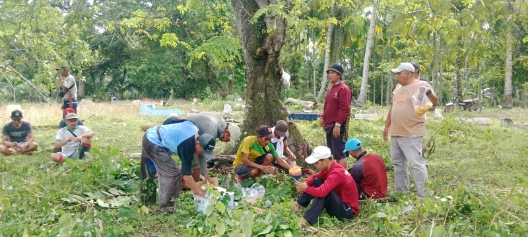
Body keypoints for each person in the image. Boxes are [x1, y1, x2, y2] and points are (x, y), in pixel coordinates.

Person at [382, 62, 439, 199]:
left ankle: (423, 195)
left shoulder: (421, 85)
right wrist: (386, 127)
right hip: (396, 132)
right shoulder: (398, 87)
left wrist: (429, 93)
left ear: (408, 73)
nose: (397, 76)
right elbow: (393, 107)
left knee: (416, 163)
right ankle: (401, 191)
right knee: (398, 163)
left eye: (399, 73)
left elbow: (435, 102)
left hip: (411, 132)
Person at [140, 120, 216, 213]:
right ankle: (167, 209)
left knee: (150, 170)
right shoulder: (187, 145)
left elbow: (175, 121)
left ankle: (147, 199)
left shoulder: (196, 133)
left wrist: (206, 175)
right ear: (198, 143)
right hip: (154, 143)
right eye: (203, 151)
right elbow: (187, 176)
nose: (203, 154)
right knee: (173, 174)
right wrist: (199, 192)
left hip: (150, 136)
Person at [292, 146, 359, 225]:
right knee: (317, 181)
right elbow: (314, 177)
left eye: (317, 163)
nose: (315, 166)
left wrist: (306, 189)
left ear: (325, 160)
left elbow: (322, 192)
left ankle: (306, 219)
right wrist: (305, 183)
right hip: (340, 202)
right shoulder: (329, 168)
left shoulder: (336, 172)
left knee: (325, 193)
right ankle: (298, 203)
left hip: (347, 211)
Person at [320, 64, 352, 168]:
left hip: (337, 125)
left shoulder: (344, 89)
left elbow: (345, 108)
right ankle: (336, 174)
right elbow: (327, 105)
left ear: (339, 75)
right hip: (329, 125)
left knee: (340, 153)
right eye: (329, 73)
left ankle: (342, 177)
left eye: (332, 73)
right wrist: (322, 116)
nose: (330, 75)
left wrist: (338, 125)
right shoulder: (331, 89)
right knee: (333, 151)